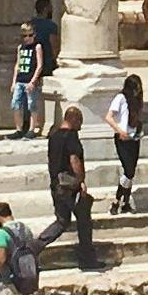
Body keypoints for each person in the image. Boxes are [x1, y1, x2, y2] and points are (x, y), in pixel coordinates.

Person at [37, 105, 98, 266]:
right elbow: (74, 160)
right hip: (70, 186)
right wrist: (81, 181)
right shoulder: (71, 137)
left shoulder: (54, 135)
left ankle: (34, 247)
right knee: (84, 220)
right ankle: (87, 258)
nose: (81, 126)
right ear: (74, 119)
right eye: (80, 122)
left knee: (62, 221)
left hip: (56, 185)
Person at [106, 76, 145, 216]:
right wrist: (119, 130)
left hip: (134, 137)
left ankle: (126, 201)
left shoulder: (137, 101)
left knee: (131, 172)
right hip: (123, 138)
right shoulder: (121, 98)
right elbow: (109, 117)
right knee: (128, 170)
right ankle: (116, 201)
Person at [8, 22, 43, 137]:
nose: (27, 38)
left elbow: (39, 65)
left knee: (31, 105)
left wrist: (33, 81)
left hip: (30, 80)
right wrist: (14, 82)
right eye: (24, 36)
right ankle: (19, 129)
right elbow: (17, 64)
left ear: (34, 35)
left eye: (30, 35)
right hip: (20, 79)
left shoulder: (37, 47)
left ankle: (32, 129)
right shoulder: (20, 47)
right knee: (15, 104)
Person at [31, 0, 60, 86]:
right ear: (45, 9)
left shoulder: (30, 24)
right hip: (46, 63)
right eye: (50, 7)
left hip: (31, 62)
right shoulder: (51, 26)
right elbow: (54, 46)